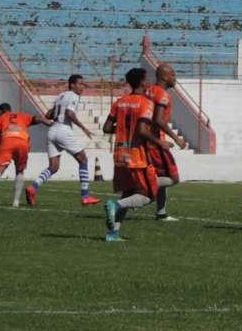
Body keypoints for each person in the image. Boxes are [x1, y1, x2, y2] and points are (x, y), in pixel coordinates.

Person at [102, 67, 173, 242]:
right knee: (148, 195)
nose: (148, 81)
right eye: (146, 78)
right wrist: (160, 142)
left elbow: (107, 128)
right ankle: (114, 205)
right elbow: (142, 130)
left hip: (120, 154)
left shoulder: (119, 102)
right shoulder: (145, 103)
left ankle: (113, 234)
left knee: (128, 194)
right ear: (142, 82)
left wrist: (126, 129)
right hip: (137, 156)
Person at [25, 75, 100, 207]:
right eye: (80, 84)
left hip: (52, 130)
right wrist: (84, 128)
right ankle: (85, 196)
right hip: (63, 130)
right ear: (72, 85)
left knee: (53, 167)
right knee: (83, 159)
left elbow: (48, 114)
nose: (82, 87)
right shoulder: (74, 96)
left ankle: (33, 187)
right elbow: (69, 114)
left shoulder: (61, 96)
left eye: (83, 84)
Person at [0, 102, 52, 206]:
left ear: (0, 112)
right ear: (10, 110)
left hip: (7, 140)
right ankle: (16, 202)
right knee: (20, 172)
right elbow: (36, 118)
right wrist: (46, 121)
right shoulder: (22, 115)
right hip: (22, 141)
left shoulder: (0, 119)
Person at [145, 63, 187, 221]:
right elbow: (158, 120)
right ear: (164, 76)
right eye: (173, 75)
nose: (175, 78)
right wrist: (176, 138)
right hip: (156, 142)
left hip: (146, 139)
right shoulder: (162, 94)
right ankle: (141, 188)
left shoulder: (148, 91)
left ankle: (161, 213)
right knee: (173, 178)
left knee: (163, 176)